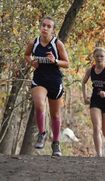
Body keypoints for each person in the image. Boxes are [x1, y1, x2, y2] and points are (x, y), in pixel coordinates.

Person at [25, 16, 69, 156]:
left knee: (55, 114)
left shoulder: (57, 44)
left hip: (55, 82)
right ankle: (42, 133)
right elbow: (27, 55)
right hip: (39, 79)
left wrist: (55, 60)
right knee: (39, 104)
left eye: (48, 26)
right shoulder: (34, 43)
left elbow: (67, 63)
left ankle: (56, 143)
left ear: (53, 30)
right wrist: (31, 62)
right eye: (43, 25)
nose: (45, 28)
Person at [82, 47, 105, 157]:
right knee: (96, 127)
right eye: (97, 56)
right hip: (95, 100)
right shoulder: (90, 70)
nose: (99, 58)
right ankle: (99, 154)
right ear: (93, 57)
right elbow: (83, 83)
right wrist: (85, 97)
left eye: (101, 56)